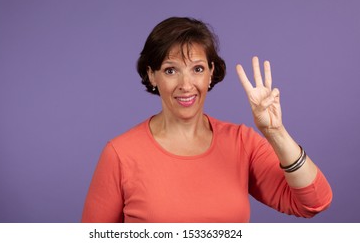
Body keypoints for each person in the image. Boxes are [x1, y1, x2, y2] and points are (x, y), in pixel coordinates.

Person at [81, 17, 332, 223]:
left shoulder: (241, 143)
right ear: (152, 75)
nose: (186, 85)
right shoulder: (120, 154)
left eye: (197, 69)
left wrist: (276, 132)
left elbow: (313, 202)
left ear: (211, 72)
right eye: (171, 70)